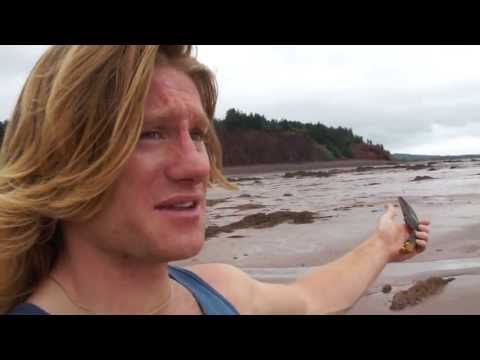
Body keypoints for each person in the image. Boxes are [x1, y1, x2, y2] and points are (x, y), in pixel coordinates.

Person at [0, 45, 430, 315]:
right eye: (150, 134)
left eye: (199, 135)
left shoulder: (217, 291)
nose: (198, 167)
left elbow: (312, 299)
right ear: (61, 160)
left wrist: (383, 244)